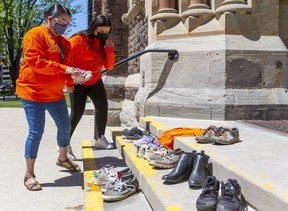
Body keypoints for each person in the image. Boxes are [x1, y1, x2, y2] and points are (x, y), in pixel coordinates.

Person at [16, 4, 90, 191]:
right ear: (50, 19)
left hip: (55, 94)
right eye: (61, 21)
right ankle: (29, 174)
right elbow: (35, 62)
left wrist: (74, 80)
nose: (64, 25)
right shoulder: (35, 35)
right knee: (36, 132)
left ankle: (63, 159)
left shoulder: (65, 43)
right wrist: (66, 69)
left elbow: (69, 67)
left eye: (67, 22)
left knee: (65, 127)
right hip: (32, 92)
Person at [66, 14, 116, 160]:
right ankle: (65, 145)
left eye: (107, 31)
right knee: (77, 113)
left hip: (95, 80)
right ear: (93, 28)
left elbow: (109, 66)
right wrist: (68, 83)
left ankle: (100, 138)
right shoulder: (77, 40)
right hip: (78, 82)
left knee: (102, 107)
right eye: (101, 31)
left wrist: (110, 51)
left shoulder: (104, 43)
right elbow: (67, 63)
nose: (104, 34)